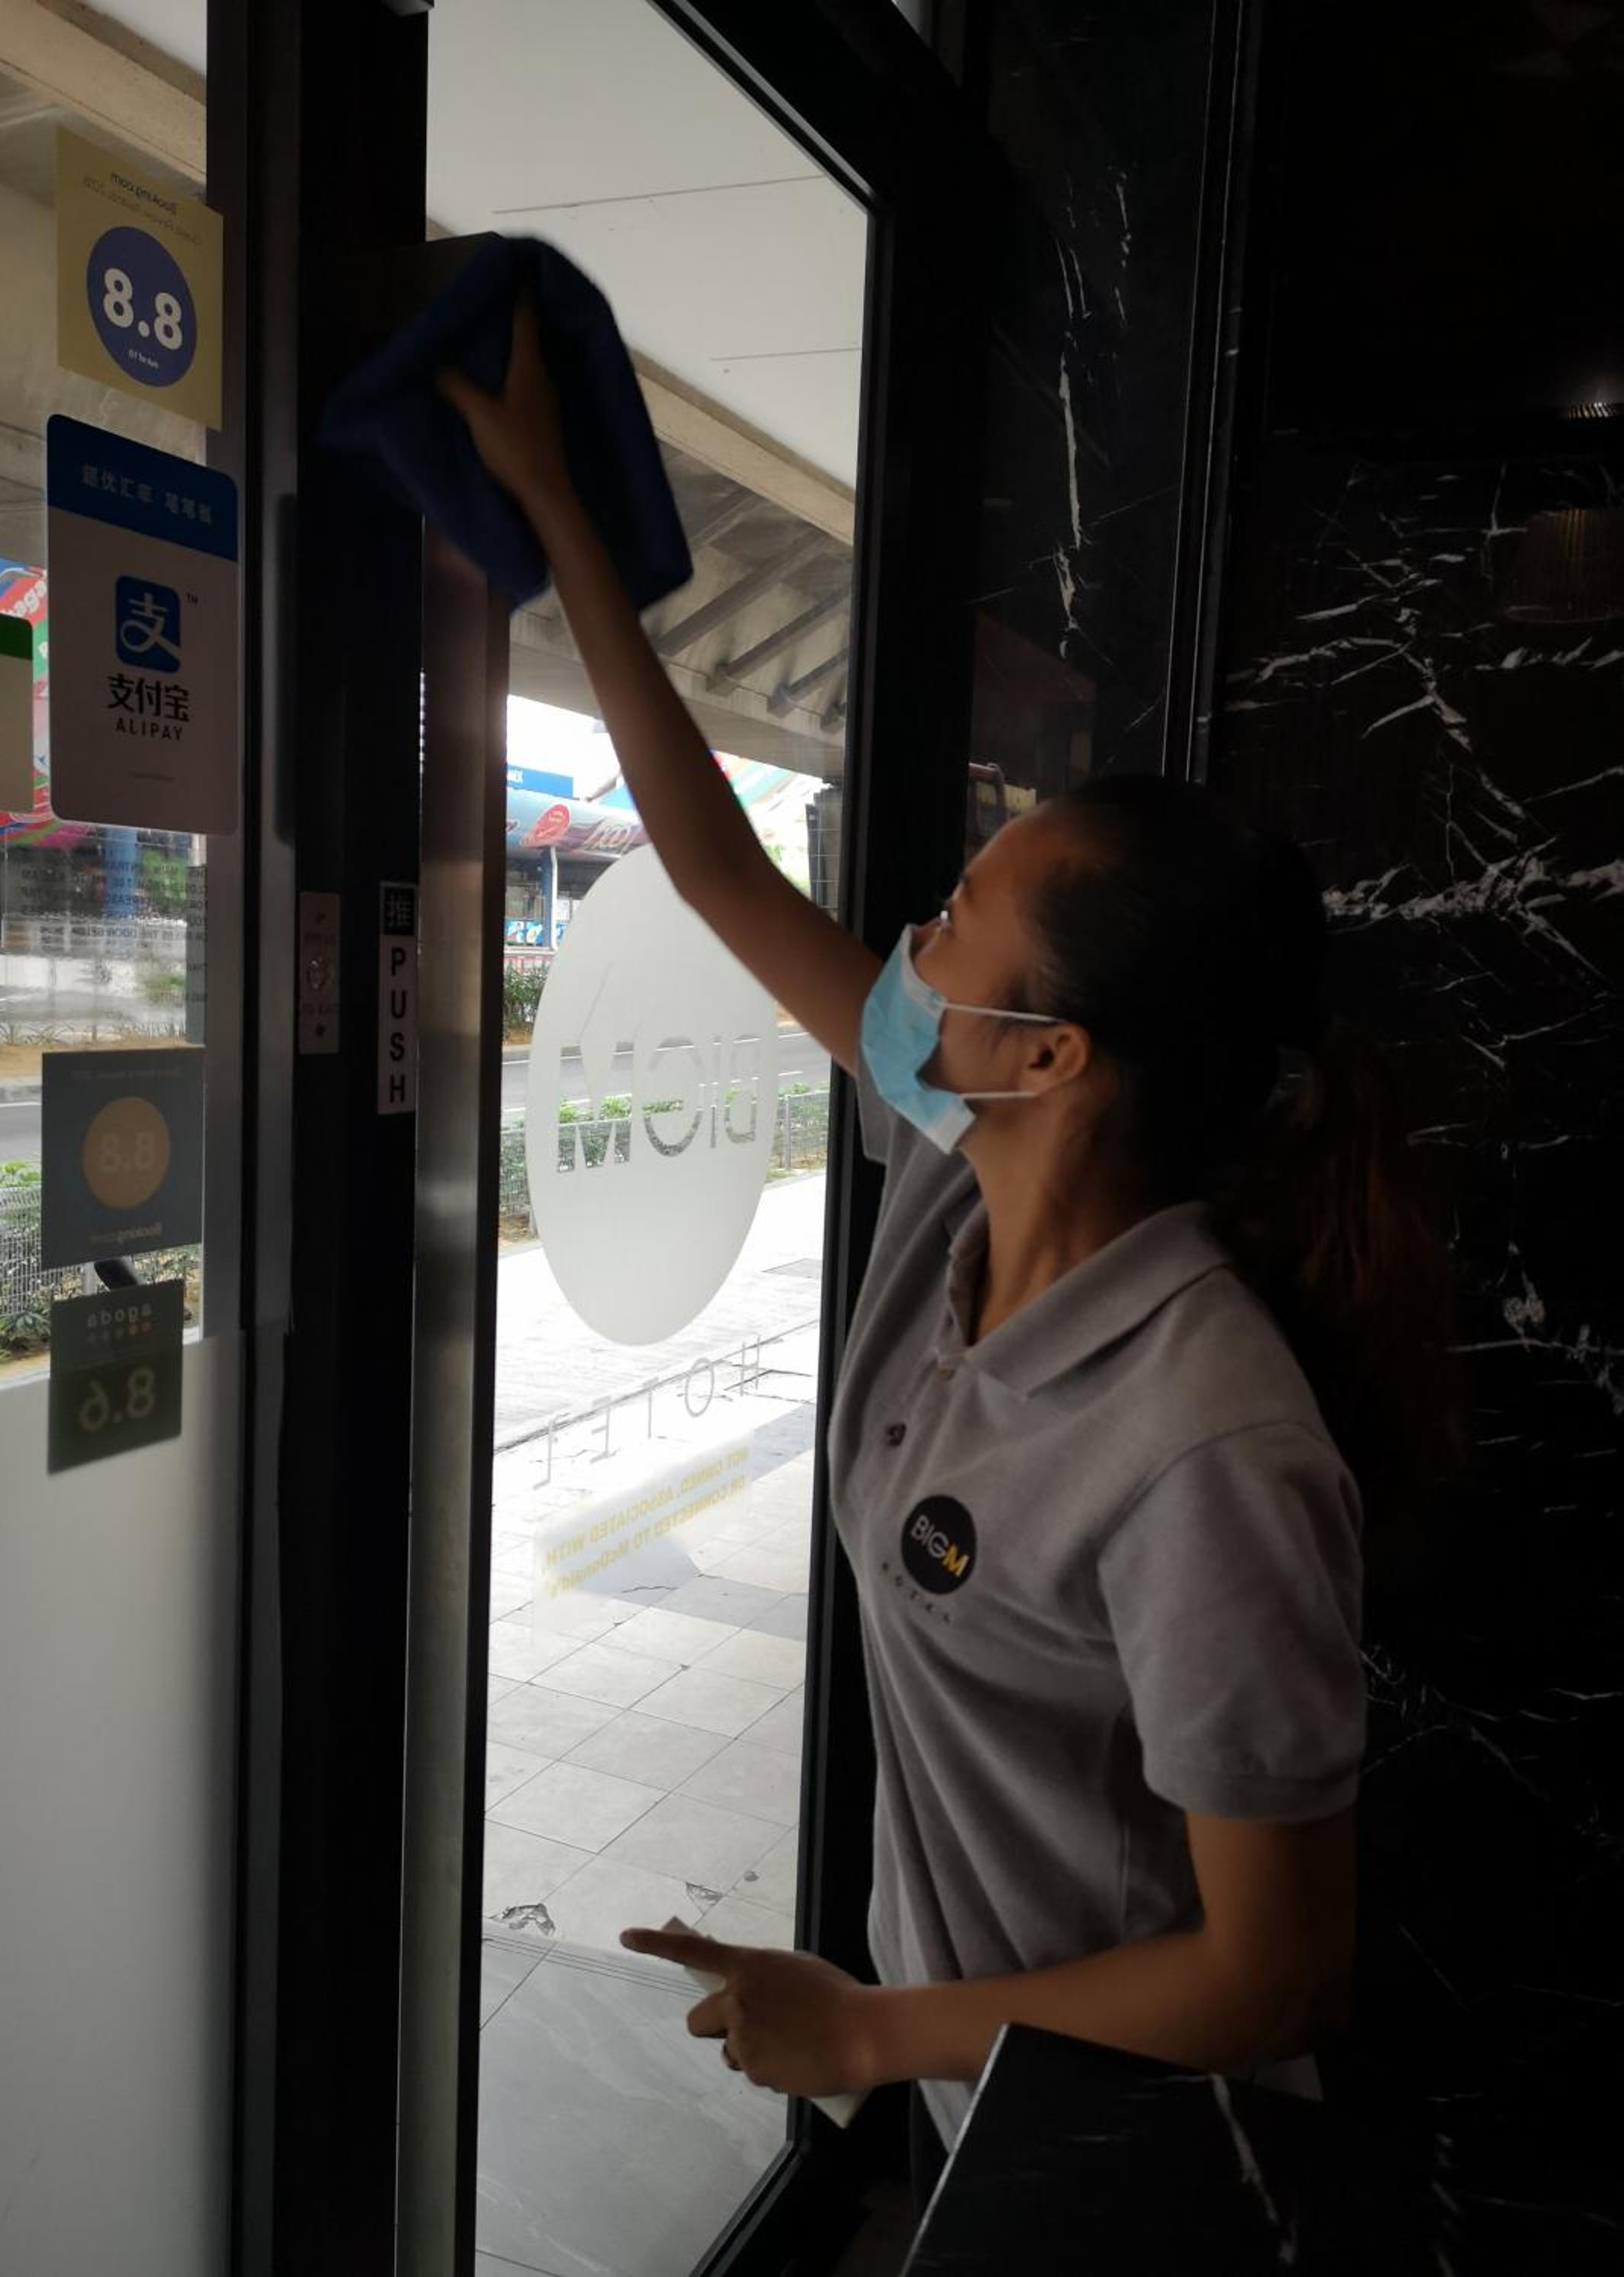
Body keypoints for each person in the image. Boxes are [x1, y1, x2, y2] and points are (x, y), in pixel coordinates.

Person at [439, 309, 1462, 2208]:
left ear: (1048, 1057)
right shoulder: (949, 1179)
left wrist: (873, 2028)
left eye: (959, 921)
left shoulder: (1206, 1445)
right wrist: (556, 511)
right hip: (985, 2103)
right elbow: (721, 871)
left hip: (1143, 2160)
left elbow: (1270, 1972)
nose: (911, 942)